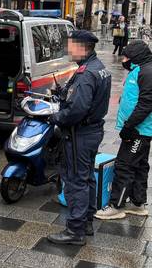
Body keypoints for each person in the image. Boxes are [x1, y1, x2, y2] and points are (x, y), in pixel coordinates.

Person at [47, 31, 111, 246]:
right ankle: (86, 222)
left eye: (71, 46)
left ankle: (75, 231)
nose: (69, 50)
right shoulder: (98, 67)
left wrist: (55, 117)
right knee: (87, 177)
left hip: (80, 134)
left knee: (76, 181)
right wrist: (62, 94)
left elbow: (77, 110)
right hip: (92, 131)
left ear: (82, 47)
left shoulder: (86, 74)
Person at [95, 40, 152, 220]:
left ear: (136, 56)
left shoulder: (146, 72)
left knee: (124, 166)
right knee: (140, 165)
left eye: (126, 57)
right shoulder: (141, 69)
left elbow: (146, 104)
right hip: (139, 129)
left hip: (138, 131)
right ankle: (137, 203)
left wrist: (129, 127)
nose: (123, 60)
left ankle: (116, 206)